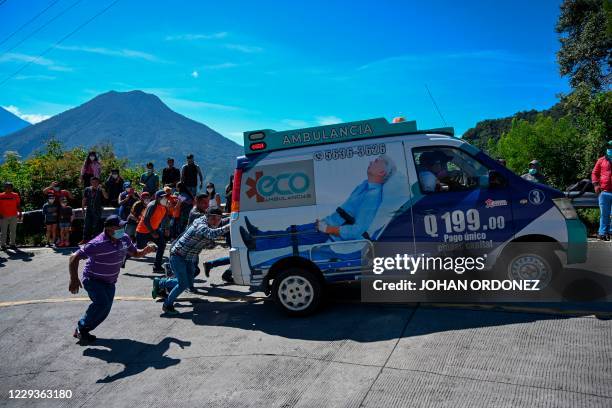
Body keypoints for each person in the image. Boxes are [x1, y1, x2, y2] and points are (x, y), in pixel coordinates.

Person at [239, 154, 396, 252]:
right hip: (328, 224)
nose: (372, 161)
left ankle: (256, 245)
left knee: (293, 239)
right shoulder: (365, 185)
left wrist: (328, 228)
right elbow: (346, 211)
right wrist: (326, 223)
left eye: (376, 161)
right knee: (292, 230)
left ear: (381, 172)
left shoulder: (373, 196)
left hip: (329, 233)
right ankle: (259, 235)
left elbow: (357, 230)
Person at [69, 215, 157, 343]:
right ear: (109, 229)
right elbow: (73, 257)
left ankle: (83, 329)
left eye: (123, 226)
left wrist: (146, 250)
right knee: (102, 304)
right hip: (93, 279)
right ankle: (81, 328)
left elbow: (136, 253)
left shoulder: (124, 239)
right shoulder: (97, 243)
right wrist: (74, 279)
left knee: (105, 308)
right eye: (119, 227)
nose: (122, 228)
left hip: (109, 282)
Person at [152, 207, 230, 315]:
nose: (216, 221)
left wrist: (234, 218)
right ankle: (167, 305)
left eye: (218, 218)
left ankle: (160, 283)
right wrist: (230, 226)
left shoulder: (208, 222)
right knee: (183, 284)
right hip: (178, 256)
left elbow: (221, 225)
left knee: (188, 282)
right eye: (213, 218)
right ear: (207, 217)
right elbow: (212, 234)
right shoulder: (201, 225)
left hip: (189, 257)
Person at [136, 190, 169, 272]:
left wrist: (166, 228)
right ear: (157, 198)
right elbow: (146, 220)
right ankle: (123, 256)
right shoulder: (152, 206)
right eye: (162, 197)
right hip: (143, 231)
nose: (165, 198)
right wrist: (152, 233)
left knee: (162, 245)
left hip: (155, 229)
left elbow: (166, 217)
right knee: (138, 249)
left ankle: (157, 267)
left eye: (165, 197)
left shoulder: (164, 205)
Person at [592, 141, 612, 240]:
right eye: (609, 146)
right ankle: (603, 232)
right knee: (604, 214)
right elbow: (594, 173)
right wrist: (596, 185)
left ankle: (610, 232)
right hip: (604, 192)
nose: (610, 148)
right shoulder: (601, 160)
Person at [81, 177, 108, 243]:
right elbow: (84, 199)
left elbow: (106, 197)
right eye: (93, 182)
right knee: (86, 225)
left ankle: (95, 239)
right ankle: (85, 239)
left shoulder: (100, 189)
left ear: (98, 182)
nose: (94, 184)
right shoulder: (87, 189)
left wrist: (103, 190)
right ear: (91, 182)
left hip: (97, 209)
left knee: (96, 225)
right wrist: (83, 208)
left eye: (96, 182)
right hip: (89, 209)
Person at [0, 182, 22, 251]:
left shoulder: (15, 195)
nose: (8, 188)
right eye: (6, 187)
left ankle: (12, 244)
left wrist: (20, 213)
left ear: (12, 188)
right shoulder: (1, 195)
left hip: (14, 215)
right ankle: (3, 245)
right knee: (3, 232)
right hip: (3, 216)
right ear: (4, 188)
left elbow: (18, 205)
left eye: (10, 187)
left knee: (13, 231)